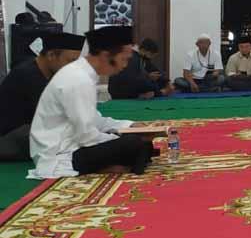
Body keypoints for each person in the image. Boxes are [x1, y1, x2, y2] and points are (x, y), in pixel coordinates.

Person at [28, 26, 158, 179]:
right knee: (134, 144)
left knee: (141, 144)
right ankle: (107, 165)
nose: (124, 66)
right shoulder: (78, 79)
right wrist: (119, 138)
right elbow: (86, 135)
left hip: (73, 144)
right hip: (60, 154)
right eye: (123, 59)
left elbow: (94, 120)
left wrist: (128, 126)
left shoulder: (84, 75)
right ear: (105, 56)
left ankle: (114, 163)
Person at [0, 32, 84, 161]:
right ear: (51, 56)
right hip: (10, 140)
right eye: (71, 61)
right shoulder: (27, 76)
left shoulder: (47, 73)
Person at [107, 39, 173, 100]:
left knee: (154, 84)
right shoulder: (132, 58)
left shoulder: (141, 56)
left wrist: (167, 82)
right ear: (144, 50)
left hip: (127, 85)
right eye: (151, 55)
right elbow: (137, 80)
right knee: (151, 89)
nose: (151, 58)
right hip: (119, 91)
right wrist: (160, 92)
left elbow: (154, 69)